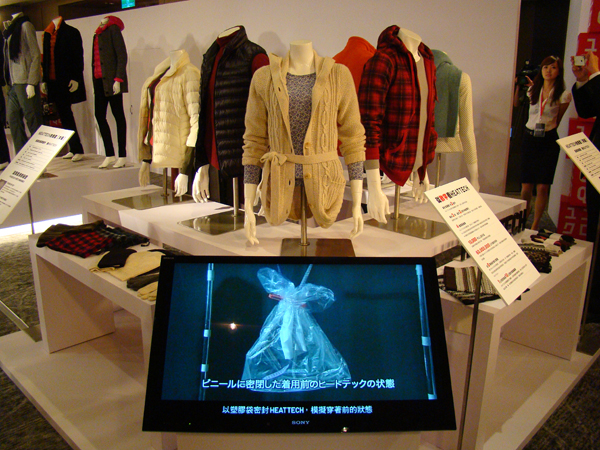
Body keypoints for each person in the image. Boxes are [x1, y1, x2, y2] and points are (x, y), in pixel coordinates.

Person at [520, 55, 571, 230]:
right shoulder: (532, 90)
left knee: (542, 187)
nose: (548, 71)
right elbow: (517, 104)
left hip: (548, 140)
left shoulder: (564, 95)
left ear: (559, 71)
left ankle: (535, 225)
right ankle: (523, 220)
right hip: (529, 138)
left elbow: (558, 119)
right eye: (545, 67)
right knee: (526, 186)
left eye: (553, 67)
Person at [571, 50, 600, 323]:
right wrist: (582, 81)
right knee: (594, 227)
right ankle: (591, 298)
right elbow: (588, 110)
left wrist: (596, 75)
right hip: (596, 168)